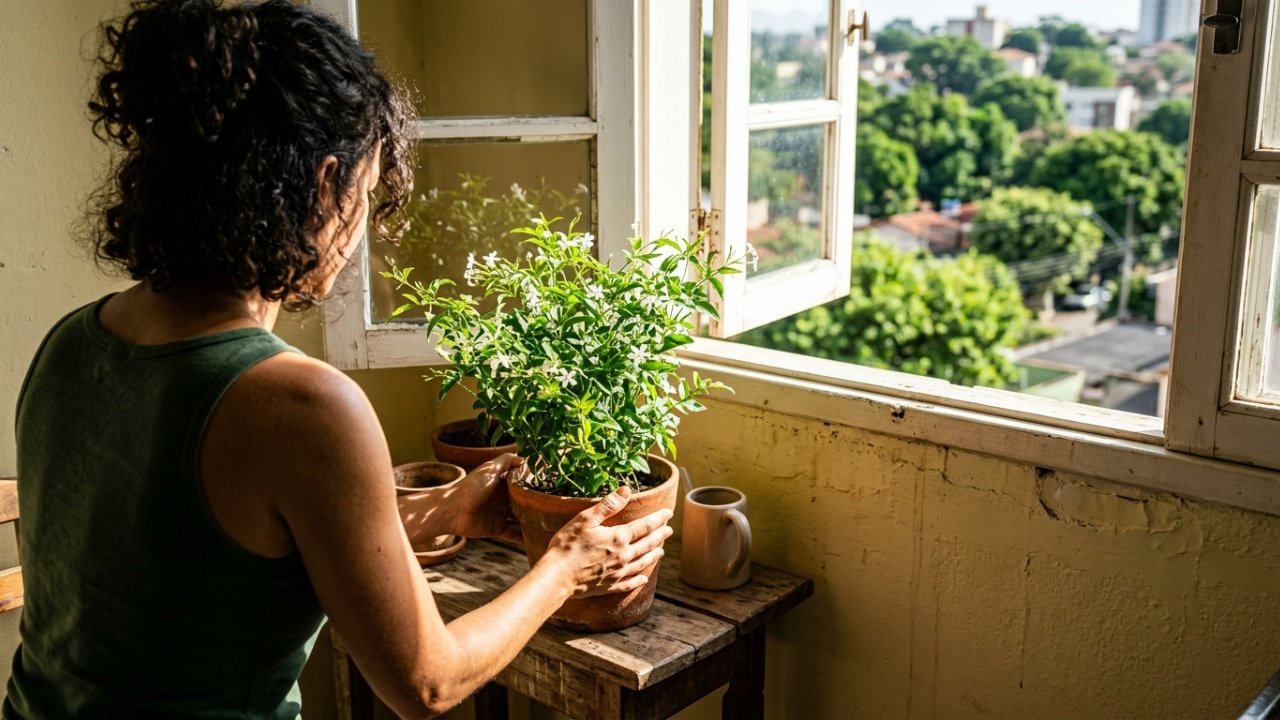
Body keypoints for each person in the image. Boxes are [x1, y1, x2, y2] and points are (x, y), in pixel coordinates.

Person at [5, 1, 673, 718]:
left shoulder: (73, 340)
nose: (361, 235)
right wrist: (564, 568)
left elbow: (190, 555)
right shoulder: (299, 404)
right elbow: (426, 684)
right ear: (325, 185)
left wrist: (442, 512)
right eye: (366, 190)